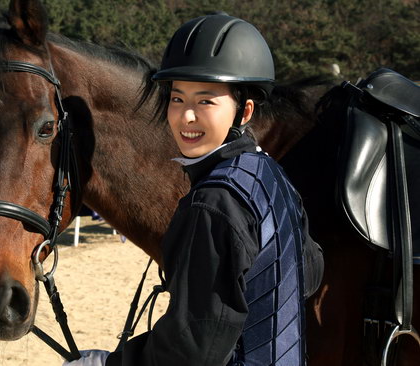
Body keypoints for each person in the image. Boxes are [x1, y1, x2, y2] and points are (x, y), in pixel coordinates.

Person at [63, 14, 324, 366]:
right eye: (177, 99)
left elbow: (194, 349)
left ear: (243, 111)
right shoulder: (271, 173)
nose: (186, 117)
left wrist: (108, 363)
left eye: (205, 101)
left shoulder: (214, 202)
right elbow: (310, 271)